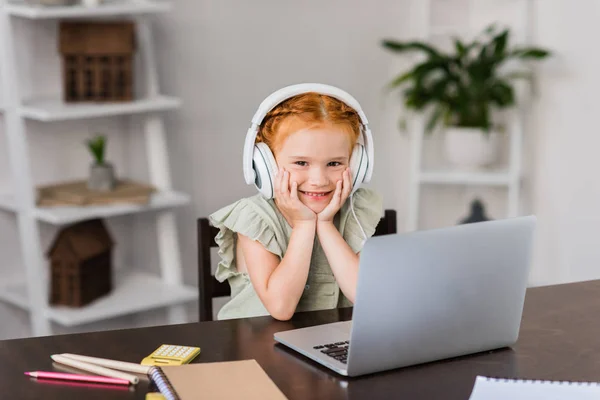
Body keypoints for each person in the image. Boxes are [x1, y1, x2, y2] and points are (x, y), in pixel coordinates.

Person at [209, 83, 383, 321]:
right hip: (257, 347)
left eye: (334, 163)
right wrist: (303, 226)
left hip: (324, 343)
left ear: (356, 165)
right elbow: (281, 308)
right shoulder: (254, 218)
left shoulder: (354, 211)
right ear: (266, 166)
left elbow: (364, 296)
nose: (319, 180)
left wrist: (325, 224)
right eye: (301, 163)